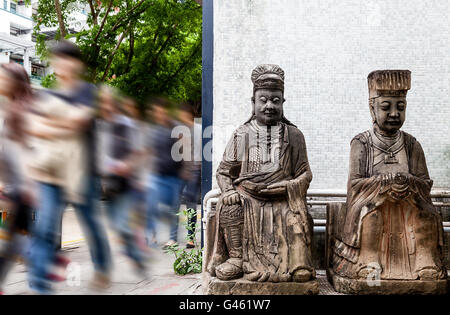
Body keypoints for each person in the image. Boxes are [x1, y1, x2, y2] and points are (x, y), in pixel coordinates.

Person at [332, 70, 446, 280]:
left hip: (409, 202)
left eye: (400, 107)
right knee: (371, 215)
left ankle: (424, 262)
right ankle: (369, 262)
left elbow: (425, 183)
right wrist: (383, 185)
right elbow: (355, 185)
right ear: (372, 108)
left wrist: (408, 184)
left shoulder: (412, 144)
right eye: (386, 107)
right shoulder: (362, 143)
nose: (394, 113)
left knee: (426, 215)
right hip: (372, 202)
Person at [206, 64, 315, 283]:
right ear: (253, 102)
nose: (269, 106)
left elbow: (305, 173)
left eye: (275, 100)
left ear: (283, 103)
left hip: (283, 198)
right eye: (263, 100)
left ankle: (297, 263)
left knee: (295, 217)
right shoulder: (242, 134)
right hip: (248, 197)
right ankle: (237, 259)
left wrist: (288, 187)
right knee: (229, 206)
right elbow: (224, 171)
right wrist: (228, 190)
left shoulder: (294, 135)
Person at [27, 41, 111, 293]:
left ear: (78, 64)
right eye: (57, 59)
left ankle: (102, 267)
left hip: (82, 173)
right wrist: (61, 124)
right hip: (51, 172)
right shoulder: (47, 94)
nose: (62, 64)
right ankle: (40, 284)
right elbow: (34, 128)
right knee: (45, 226)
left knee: (92, 225)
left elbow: (79, 121)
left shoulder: (88, 90)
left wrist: (51, 125)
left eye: (67, 59)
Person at [97, 87, 146, 274]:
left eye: (108, 101)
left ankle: (136, 257)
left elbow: (138, 151)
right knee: (115, 226)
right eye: (102, 102)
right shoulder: (102, 126)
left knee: (122, 225)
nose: (105, 105)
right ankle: (134, 253)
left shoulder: (127, 124)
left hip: (127, 183)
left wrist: (127, 165)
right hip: (109, 184)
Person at [0, 63, 35, 294]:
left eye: (3, 77)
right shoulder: (10, 109)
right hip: (13, 191)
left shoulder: (21, 112)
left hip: (16, 192)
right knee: (14, 243)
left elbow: (25, 153)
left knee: (7, 242)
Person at [146, 97, 184, 248]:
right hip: (156, 175)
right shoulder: (154, 130)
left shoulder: (176, 129)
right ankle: (153, 235)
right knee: (151, 207)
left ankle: (172, 238)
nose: (159, 114)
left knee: (173, 209)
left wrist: (184, 171)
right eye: (156, 112)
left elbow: (183, 151)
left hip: (174, 176)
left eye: (161, 111)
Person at [177, 103, 202, 248]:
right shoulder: (180, 131)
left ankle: (190, 237)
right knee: (176, 202)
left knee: (191, 202)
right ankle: (174, 237)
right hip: (182, 170)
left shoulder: (198, 130)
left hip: (195, 169)